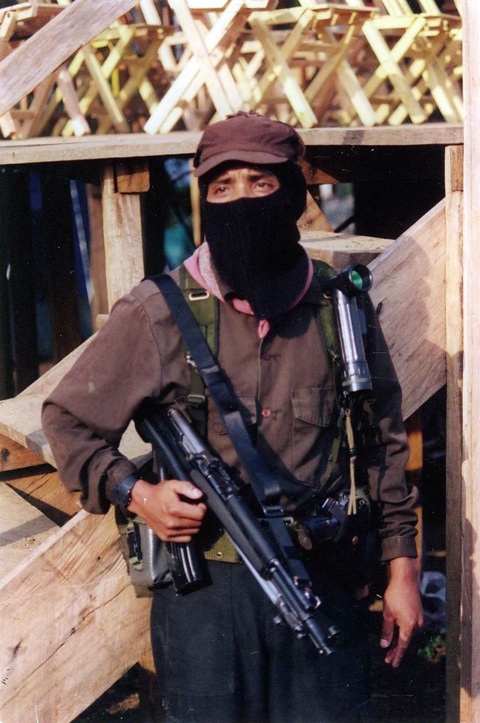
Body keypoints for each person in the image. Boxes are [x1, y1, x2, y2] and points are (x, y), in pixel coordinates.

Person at [42, 111, 424, 723]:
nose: (240, 200)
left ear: (293, 194)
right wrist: (139, 495)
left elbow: (382, 446)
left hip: (321, 581)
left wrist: (402, 570)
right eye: (222, 187)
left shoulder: (340, 308)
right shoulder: (157, 312)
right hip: (208, 600)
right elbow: (69, 422)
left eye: (260, 184)